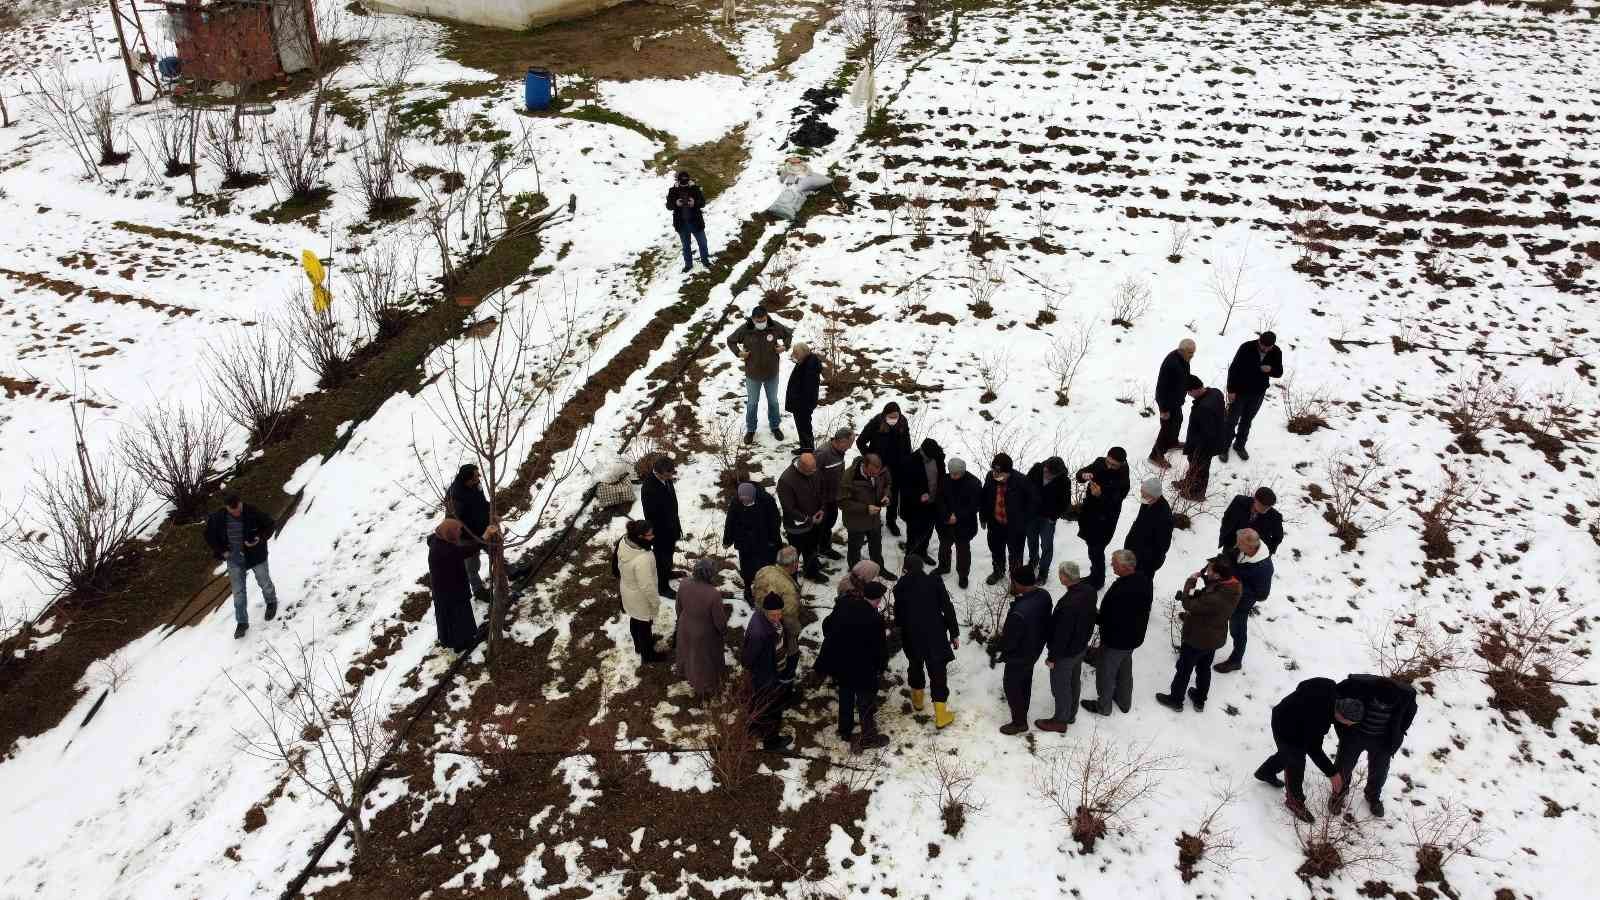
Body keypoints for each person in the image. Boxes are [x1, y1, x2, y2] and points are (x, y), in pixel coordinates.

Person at [1255, 678, 1365, 824]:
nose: (1349, 726)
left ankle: (1266, 772)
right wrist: (1332, 773)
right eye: (1349, 723)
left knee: (1288, 752)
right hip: (1284, 723)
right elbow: (1314, 749)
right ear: (1341, 716)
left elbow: (1303, 684)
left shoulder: (1329, 686)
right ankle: (1294, 801)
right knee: (1296, 759)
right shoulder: (1318, 720)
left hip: (1287, 711)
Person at [1155, 557, 1241, 712]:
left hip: (1197, 638)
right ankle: (1199, 699)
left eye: (1209, 569)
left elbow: (1189, 604)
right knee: (1204, 668)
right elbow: (1208, 593)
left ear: (1217, 576)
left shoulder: (1215, 598)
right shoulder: (1233, 586)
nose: (1206, 570)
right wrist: (1206, 580)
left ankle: (1176, 699)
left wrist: (1190, 582)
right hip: (1214, 637)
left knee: (1184, 669)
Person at [1330, 674, 1419, 817]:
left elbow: (1409, 715)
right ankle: (1338, 793)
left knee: (1380, 771)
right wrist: (1343, 726)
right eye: (1379, 704)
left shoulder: (1406, 695)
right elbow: (1335, 695)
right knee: (1343, 765)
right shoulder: (1359, 684)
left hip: (1382, 739)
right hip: (1355, 733)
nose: (1383, 707)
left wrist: (1398, 732)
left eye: (1387, 706)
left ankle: (1373, 796)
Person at [818, 581, 891, 752]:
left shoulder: (846, 604)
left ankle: (845, 730)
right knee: (865, 700)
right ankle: (869, 737)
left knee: (846, 694)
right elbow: (880, 648)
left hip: (842, 661)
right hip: (864, 666)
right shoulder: (875, 619)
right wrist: (881, 666)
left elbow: (827, 624)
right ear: (878, 600)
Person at [1081, 550, 1154, 716]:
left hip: (1116, 641)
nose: (1111, 564)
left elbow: (1111, 618)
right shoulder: (1143, 580)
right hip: (1133, 638)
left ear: (1125, 566)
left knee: (1106, 672)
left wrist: (1094, 615)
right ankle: (1123, 701)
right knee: (1124, 669)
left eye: (1114, 563)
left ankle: (1103, 706)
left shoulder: (1124, 590)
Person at [893, 555, 959, 728]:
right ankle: (941, 715)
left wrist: (901, 632)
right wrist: (954, 633)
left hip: (911, 636)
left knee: (915, 664)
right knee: (937, 672)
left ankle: (918, 700)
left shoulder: (899, 587)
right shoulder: (934, 581)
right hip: (935, 635)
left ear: (905, 569)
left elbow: (898, 616)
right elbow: (947, 608)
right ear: (922, 567)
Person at [205, 492, 279, 639]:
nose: (237, 512)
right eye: (233, 511)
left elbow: (270, 524)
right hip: (234, 560)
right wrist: (223, 551)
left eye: (238, 508)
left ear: (241, 502)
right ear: (226, 508)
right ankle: (242, 622)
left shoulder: (252, 511)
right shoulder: (218, 518)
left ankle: (271, 602)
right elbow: (208, 536)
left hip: (256, 555)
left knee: (264, 581)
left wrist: (259, 538)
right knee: (238, 593)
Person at [1036, 561, 1097, 732]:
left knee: (1060, 686)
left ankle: (1060, 721)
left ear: (1064, 577)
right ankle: (1070, 714)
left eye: (1060, 574)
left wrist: (1052, 657)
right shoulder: (1089, 590)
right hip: (1080, 647)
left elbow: (1062, 635)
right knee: (1073, 681)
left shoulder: (1069, 604)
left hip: (1065, 653)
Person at [427, 518, 495, 653]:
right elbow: (467, 551)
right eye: (457, 530)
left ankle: (460, 640)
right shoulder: (445, 550)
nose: (460, 532)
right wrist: (484, 537)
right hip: (450, 591)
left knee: (453, 617)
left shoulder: (438, 539)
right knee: (458, 617)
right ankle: (462, 643)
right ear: (449, 533)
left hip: (445, 589)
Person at [998, 565, 1052, 735]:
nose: (1011, 584)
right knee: (1025, 682)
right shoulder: (1044, 595)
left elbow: (1010, 640)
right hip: (1034, 650)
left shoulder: (1019, 612)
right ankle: (1023, 709)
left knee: (1012, 686)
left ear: (1019, 583)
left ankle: (1019, 722)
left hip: (1018, 655)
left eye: (1013, 581)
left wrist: (1002, 652)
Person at [727, 306, 794, 443]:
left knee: (773, 402)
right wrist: (739, 353)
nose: (761, 322)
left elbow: (788, 334)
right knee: (752, 403)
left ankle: (775, 426)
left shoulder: (774, 326)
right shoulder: (745, 329)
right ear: (753, 319)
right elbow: (731, 340)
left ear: (767, 316)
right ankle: (751, 429)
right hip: (753, 374)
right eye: (758, 320)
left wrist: (784, 347)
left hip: (771, 373)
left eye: (763, 319)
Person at [1213, 528, 1274, 674]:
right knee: (1212, 611)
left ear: (1250, 547)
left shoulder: (1264, 568)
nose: (1236, 546)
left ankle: (1236, 660)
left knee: (1237, 630)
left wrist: (1235, 586)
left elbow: (1261, 594)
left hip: (1241, 603)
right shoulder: (1243, 549)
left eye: (1239, 544)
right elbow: (1230, 558)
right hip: (1226, 592)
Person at [1221, 331, 1284, 463]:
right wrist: (1231, 390)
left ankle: (1239, 446)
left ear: (1273, 345)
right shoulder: (1246, 347)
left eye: (1268, 347)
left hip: (1258, 393)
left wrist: (1270, 370)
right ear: (1259, 340)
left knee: (1247, 420)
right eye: (1263, 345)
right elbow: (1233, 369)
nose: (1265, 349)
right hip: (1240, 391)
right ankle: (1223, 447)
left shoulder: (1276, 352)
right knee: (1231, 420)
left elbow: (1279, 372)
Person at [1075, 448, 1130, 589]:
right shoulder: (1100, 462)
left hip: (1105, 521)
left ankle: (1097, 580)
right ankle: (1095, 575)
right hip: (1090, 516)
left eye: (1113, 465)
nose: (1109, 466)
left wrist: (1100, 495)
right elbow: (1080, 474)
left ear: (1122, 464)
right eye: (1108, 462)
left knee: (1096, 551)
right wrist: (1084, 475)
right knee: (1092, 548)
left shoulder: (1123, 479)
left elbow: (1115, 502)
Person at [742, 592, 791, 751]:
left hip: (768, 671)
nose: (777, 617)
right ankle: (772, 742)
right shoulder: (760, 633)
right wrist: (756, 673)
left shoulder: (765, 619)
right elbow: (749, 657)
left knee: (759, 703)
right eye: (773, 615)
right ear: (765, 611)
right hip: (765, 675)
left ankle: (754, 728)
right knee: (772, 708)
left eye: (779, 613)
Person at [856, 402, 913, 535]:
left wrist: (907, 461)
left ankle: (891, 521)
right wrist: (869, 458)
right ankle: (872, 520)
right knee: (875, 493)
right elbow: (861, 441)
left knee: (892, 493)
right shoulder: (876, 422)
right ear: (885, 414)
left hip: (897, 467)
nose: (894, 419)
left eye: (896, 416)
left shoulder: (903, 423)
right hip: (878, 467)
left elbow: (907, 445)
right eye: (891, 416)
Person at [675, 558, 729, 698]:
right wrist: (723, 632)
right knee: (704, 662)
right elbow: (720, 622)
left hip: (685, 626)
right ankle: (704, 687)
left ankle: (686, 673)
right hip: (704, 634)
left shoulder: (684, 583)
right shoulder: (713, 594)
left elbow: (678, 607)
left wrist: (682, 621)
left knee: (688, 653)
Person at [839, 452, 897, 580]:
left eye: (877, 473)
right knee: (855, 549)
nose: (875, 476)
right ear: (864, 465)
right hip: (856, 521)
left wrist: (886, 495)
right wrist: (865, 508)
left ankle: (879, 568)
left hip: (874, 519)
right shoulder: (849, 475)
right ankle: (856, 574)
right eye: (872, 473)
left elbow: (888, 484)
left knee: (876, 546)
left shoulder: (880, 471)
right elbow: (842, 502)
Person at [981, 453, 1036, 586]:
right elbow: (984, 498)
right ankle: (998, 572)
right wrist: (983, 516)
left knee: (1016, 555)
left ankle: (1016, 580)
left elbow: (1034, 502)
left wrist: (1024, 521)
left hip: (1015, 527)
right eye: (994, 471)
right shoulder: (990, 477)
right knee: (996, 550)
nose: (995, 475)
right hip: (995, 523)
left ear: (1008, 472)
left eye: (999, 473)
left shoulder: (1022, 481)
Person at [616, 520, 666, 663]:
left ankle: (639, 646)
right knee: (644, 626)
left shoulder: (625, 541)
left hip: (627, 591)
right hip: (640, 598)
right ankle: (648, 655)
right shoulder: (643, 558)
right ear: (640, 537)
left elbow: (616, 564)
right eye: (650, 535)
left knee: (635, 619)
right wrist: (655, 602)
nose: (653, 536)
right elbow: (647, 586)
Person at [723, 481, 781, 604]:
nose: (745, 503)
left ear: (753, 496)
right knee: (747, 568)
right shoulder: (736, 502)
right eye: (742, 500)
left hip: (764, 541)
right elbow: (730, 521)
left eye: (747, 500)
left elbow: (775, 522)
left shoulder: (766, 501)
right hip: (745, 542)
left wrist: (773, 540)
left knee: (765, 567)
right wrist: (727, 539)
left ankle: (767, 591)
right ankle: (748, 589)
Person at [752, 547, 803, 683]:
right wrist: (795, 633)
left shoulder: (764, 571)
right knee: (789, 659)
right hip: (780, 632)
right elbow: (789, 619)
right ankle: (784, 687)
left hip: (761, 623)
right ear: (794, 564)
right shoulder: (788, 588)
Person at [776, 452, 828, 583]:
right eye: (810, 471)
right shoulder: (786, 480)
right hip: (797, 527)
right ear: (800, 467)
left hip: (815, 521)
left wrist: (822, 509)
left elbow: (821, 490)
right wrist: (809, 519)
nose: (814, 472)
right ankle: (790, 581)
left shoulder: (813, 470)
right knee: (795, 555)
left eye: (814, 469)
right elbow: (789, 508)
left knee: (811, 549)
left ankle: (811, 572)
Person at [445, 464, 492, 600]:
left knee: (495, 551)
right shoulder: (455, 496)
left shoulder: (476, 485)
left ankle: (510, 571)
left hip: (484, 529)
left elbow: (482, 502)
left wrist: (491, 512)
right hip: (468, 537)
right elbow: (450, 520)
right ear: (468, 479)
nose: (479, 477)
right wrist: (460, 536)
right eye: (476, 475)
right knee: (472, 566)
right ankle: (478, 590)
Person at [935, 457, 982, 588]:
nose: (953, 476)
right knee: (944, 546)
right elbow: (940, 499)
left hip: (964, 525)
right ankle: (944, 566)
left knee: (963, 551)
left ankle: (963, 575)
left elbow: (974, 505)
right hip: (946, 522)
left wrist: (958, 516)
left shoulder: (974, 483)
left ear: (962, 471)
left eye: (956, 474)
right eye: (951, 473)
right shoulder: (944, 480)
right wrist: (946, 515)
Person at [1178, 375, 1227, 501]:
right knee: (1194, 466)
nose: (1188, 394)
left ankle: (1197, 493)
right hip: (1210, 439)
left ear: (1194, 389)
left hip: (1204, 445)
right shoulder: (1216, 392)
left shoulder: (1204, 408)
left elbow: (1207, 434)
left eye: (1189, 392)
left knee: (1200, 469)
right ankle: (1189, 482)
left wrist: (1196, 450)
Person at [1149, 338, 1196, 467]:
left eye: (1193, 352)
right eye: (1190, 353)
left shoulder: (1184, 360)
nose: (1192, 355)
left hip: (1176, 401)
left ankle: (1172, 442)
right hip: (1167, 402)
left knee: (1178, 420)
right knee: (1166, 428)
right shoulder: (1172, 364)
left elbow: (1184, 377)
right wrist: (1163, 409)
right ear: (1181, 350)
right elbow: (1161, 388)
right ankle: (1155, 455)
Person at [899, 438, 946, 565]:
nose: (929, 458)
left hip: (933, 503)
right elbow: (905, 487)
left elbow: (942, 478)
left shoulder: (938, 458)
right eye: (927, 456)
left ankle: (922, 553)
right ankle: (909, 561)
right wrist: (919, 495)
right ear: (922, 451)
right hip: (915, 506)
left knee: (928, 530)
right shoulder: (910, 461)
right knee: (913, 534)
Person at [640, 456, 681, 598]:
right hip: (660, 533)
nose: (671, 476)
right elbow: (651, 517)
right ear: (659, 473)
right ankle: (662, 587)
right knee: (662, 559)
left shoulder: (666, 478)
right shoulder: (648, 488)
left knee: (669, 555)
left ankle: (668, 573)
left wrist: (676, 526)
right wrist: (660, 534)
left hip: (672, 527)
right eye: (668, 474)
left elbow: (672, 503)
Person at [1025, 456, 1070, 580]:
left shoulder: (1064, 481)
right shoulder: (1036, 469)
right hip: (1031, 515)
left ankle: (1043, 570)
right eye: (1046, 471)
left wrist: (1053, 516)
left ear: (1058, 474)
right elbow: (1025, 488)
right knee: (1031, 540)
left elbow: (1065, 503)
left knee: (1046, 545)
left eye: (1051, 474)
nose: (1047, 475)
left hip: (1048, 519)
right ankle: (1033, 561)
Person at [813, 428, 853, 561]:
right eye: (849, 444)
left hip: (833, 496)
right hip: (822, 499)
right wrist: (820, 501)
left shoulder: (839, 451)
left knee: (830, 522)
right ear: (841, 441)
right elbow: (813, 478)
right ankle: (819, 549)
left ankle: (824, 546)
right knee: (821, 526)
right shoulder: (822, 454)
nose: (850, 447)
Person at [1123, 477, 1174, 577]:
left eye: (1145, 495)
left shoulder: (1164, 517)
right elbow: (1139, 524)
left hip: (1145, 564)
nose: (1142, 497)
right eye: (1142, 493)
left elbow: (1162, 547)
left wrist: (1142, 561)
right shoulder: (1147, 502)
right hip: (1133, 556)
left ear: (1155, 496)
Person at [666, 170, 711, 273]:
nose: (684, 182)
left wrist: (694, 203)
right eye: (682, 180)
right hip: (682, 224)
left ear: (689, 179)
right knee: (686, 246)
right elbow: (668, 206)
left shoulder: (695, 189)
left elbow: (702, 202)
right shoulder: (672, 190)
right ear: (678, 180)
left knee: (703, 243)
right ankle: (688, 265)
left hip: (696, 222)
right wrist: (676, 203)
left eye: (686, 180)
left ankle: (705, 261)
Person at [1219, 487, 1284, 555]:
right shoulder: (1239, 501)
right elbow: (1227, 518)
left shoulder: (1275, 517)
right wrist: (1225, 538)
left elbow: (1278, 537)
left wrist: (1266, 551)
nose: (1265, 509)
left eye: (1268, 507)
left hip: (1253, 553)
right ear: (1255, 499)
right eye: (1262, 505)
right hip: (1231, 545)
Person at [784, 343, 822, 453]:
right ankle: (805, 448)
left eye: (796, 353)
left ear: (804, 353)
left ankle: (808, 451)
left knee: (804, 428)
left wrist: (799, 403)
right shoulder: (805, 361)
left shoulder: (809, 366)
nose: (794, 355)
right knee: (802, 427)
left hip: (803, 405)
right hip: (800, 404)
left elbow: (808, 389)